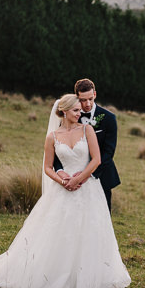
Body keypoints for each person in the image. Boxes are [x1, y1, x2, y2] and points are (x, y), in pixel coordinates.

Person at [0, 94, 131, 288]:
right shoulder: (52, 136)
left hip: (88, 188)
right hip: (63, 189)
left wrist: (80, 179)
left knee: (90, 231)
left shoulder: (87, 130)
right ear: (64, 111)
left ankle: (87, 276)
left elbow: (96, 160)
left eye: (81, 110)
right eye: (76, 110)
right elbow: (48, 167)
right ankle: (52, 275)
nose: (81, 113)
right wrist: (62, 181)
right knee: (58, 232)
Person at [54, 78, 120, 212]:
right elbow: (59, 148)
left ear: (95, 94)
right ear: (76, 97)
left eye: (90, 98)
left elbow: (108, 153)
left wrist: (85, 175)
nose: (88, 104)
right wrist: (64, 174)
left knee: (100, 219)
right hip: (71, 177)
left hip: (100, 176)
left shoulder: (108, 118)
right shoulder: (68, 118)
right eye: (83, 100)